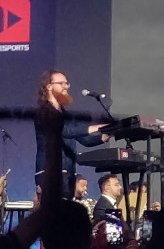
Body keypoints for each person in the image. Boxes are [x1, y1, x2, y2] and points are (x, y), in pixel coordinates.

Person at [34, 69, 110, 198]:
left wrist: (107, 133)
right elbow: (64, 131)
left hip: (68, 172)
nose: (66, 87)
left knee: (66, 206)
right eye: (61, 83)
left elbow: (85, 140)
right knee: (55, 207)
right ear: (49, 86)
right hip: (49, 172)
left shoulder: (66, 115)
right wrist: (97, 127)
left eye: (67, 83)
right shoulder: (43, 111)